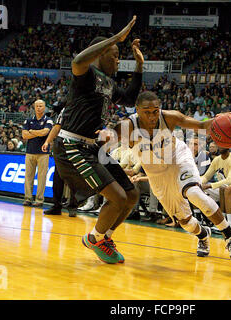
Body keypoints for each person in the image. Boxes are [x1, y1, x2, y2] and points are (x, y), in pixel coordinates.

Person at [112, 91, 231, 261]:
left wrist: (221, 120)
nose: (152, 116)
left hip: (178, 158)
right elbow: (104, 140)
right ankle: (203, 235)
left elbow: (201, 126)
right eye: (147, 112)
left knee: (194, 193)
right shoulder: (127, 127)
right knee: (186, 222)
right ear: (136, 110)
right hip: (157, 174)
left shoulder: (169, 117)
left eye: (155, 111)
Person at [53, 16, 144, 264]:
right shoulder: (86, 75)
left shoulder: (109, 82)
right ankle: (95, 238)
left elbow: (128, 99)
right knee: (118, 197)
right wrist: (116, 38)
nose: (117, 60)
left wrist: (139, 67)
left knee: (132, 193)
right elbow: (77, 60)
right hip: (70, 146)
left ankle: (102, 237)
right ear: (100, 55)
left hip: (91, 148)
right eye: (113, 55)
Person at [41, 107, 78, 217]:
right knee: (58, 177)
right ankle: (56, 206)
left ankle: (73, 206)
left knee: (74, 178)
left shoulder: (84, 107)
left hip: (77, 145)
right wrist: (47, 141)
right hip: (62, 144)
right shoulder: (65, 109)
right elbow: (57, 126)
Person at [22, 99, 53, 207]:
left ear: (44, 108)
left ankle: (39, 200)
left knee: (42, 177)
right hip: (30, 152)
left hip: (43, 153)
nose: (39, 108)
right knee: (28, 176)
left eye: (41, 106)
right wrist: (38, 133)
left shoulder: (48, 120)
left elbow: (46, 132)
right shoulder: (28, 120)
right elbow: (24, 135)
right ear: (34, 108)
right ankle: (28, 198)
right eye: (37, 106)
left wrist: (32, 131)